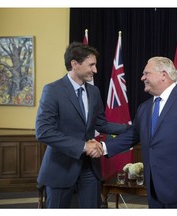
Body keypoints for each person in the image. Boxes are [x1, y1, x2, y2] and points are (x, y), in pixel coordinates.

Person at [103, 56, 177, 208]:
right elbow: (132, 136)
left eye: (147, 73)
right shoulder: (144, 108)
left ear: (163, 75)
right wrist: (103, 147)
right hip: (154, 189)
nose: (142, 78)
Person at [35, 42, 129, 208]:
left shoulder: (94, 91)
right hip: (60, 169)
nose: (95, 70)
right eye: (91, 65)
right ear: (74, 64)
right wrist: (83, 146)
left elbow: (101, 123)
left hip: (89, 170)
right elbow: (43, 132)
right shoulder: (52, 90)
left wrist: (132, 128)